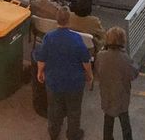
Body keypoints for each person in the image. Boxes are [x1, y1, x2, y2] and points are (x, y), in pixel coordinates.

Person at [34, 7, 93, 140]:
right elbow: (85, 61)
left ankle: (54, 133)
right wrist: (89, 75)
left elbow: (41, 58)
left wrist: (40, 72)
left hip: (54, 82)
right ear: (69, 20)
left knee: (54, 109)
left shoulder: (49, 37)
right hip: (74, 84)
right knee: (74, 111)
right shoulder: (76, 39)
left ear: (57, 20)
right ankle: (73, 134)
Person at [95, 26, 137, 140]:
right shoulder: (125, 58)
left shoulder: (101, 56)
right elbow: (134, 74)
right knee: (125, 122)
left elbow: (97, 72)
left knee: (108, 119)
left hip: (106, 93)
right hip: (121, 94)